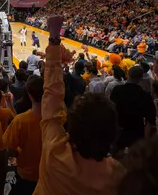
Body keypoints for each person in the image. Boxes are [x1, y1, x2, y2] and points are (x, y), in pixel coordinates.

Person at [34, 16, 125, 194]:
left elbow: (52, 97)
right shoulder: (120, 175)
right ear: (113, 133)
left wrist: (54, 39)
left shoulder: (55, 152)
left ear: (72, 124)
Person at [3, 71, 43, 195]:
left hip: (25, 175)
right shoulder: (59, 118)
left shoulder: (20, 121)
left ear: (29, 95)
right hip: (50, 177)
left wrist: (15, 160)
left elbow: (9, 149)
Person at [110, 66, 156, 150]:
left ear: (128, 74)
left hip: (118, 130)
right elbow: (149, 120)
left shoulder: (116, 90)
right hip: (137, 132)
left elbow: (111, 111)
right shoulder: (145, 95)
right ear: (141, 78)